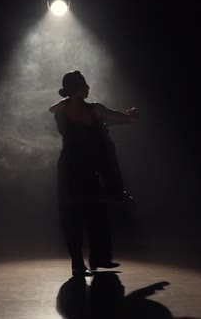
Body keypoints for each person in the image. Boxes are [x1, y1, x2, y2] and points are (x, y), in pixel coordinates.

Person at [50, 70, 140, 276]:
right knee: (73, 214)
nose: (89, 88)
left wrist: (128, 117)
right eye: (84, 85)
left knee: (94, 211)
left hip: (86, 166)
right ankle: (78, 264)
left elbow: (116, 117)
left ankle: (98, 257)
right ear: (76, 88)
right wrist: (69, 100)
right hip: (72, 167)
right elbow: (51, 108)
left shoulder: (93, 109)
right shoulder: (64, 109)